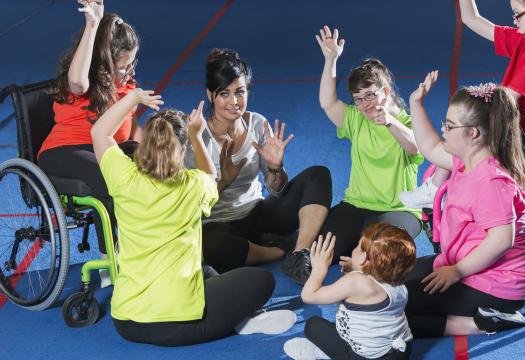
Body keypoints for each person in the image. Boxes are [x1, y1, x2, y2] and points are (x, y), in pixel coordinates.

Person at [92, 88, 294, 346]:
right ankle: (238, 321)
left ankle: (237, 319)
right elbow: (211, 176)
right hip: (180, 323)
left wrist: (132, 99)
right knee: (261, 280)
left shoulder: (124, 177)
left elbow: (99, 132)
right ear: (181, 149)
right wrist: (197, 136)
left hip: (127, 321)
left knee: (207, 271)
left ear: (145, 144)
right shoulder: (193, 184)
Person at [402, 0, 525, 209]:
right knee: (461, 119)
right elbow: (472, 20)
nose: (514, 19)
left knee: (461, 126)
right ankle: (436, 188)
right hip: (517, 121)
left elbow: (509, 98)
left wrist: (469, 111)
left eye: (517, 13)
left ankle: (436, 189)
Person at [404, 71, 525, 337]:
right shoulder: (465, 161)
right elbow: (429, 147)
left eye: (449, 126)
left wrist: (456, 271)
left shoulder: (490, 181)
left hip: (497, 286)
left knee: (390, 310)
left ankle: (477, 323)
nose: (444, 130)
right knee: (390, 283)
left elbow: (501, 240)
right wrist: (415, 104)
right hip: (461, 263)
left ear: (473, 133)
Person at [185, 49, 332, 285]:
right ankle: (279, 250)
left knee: (318, 175)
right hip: (218, 225)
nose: (234, 102)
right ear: (210, 95)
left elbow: (276, 189)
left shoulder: (257, 123)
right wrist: (223, 183)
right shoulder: (195, 135)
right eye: (225, 93)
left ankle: (298, 252)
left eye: (240, 92)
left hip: (256, 212)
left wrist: (275, 167)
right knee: (209, 245)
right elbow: (189, 204)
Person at [38, 1, 142, 267]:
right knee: (108, 174)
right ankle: (111, 260)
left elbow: (133, 127)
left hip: (106, 150)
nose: (129, 72)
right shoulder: (84, 82)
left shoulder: (127, 87)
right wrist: (93, 24)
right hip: (66, 150)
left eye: (132, 64)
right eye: (123, 67)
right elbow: (77, 81)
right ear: (104, 63)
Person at [315, 25, 424, 262]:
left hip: (399, 210)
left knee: (383, 257)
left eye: (370, 95)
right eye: (358, 99)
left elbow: (416, 147)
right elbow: (327, 103)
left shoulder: (408, 122)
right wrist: (330, 59)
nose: (364, 104)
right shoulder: (356, 118)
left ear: (385, 92)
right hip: (356, 205)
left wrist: (389, 123)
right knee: (322, 253)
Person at [284, 223, 415, 360]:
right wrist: (358, 268)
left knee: (312, 325)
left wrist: (319, 268)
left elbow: (308, 296)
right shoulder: (397, 277)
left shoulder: (354, 282)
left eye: (358, 246)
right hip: (403, 350)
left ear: (363, 258)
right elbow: (371, 286)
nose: (355, 249)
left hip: (369, 357)